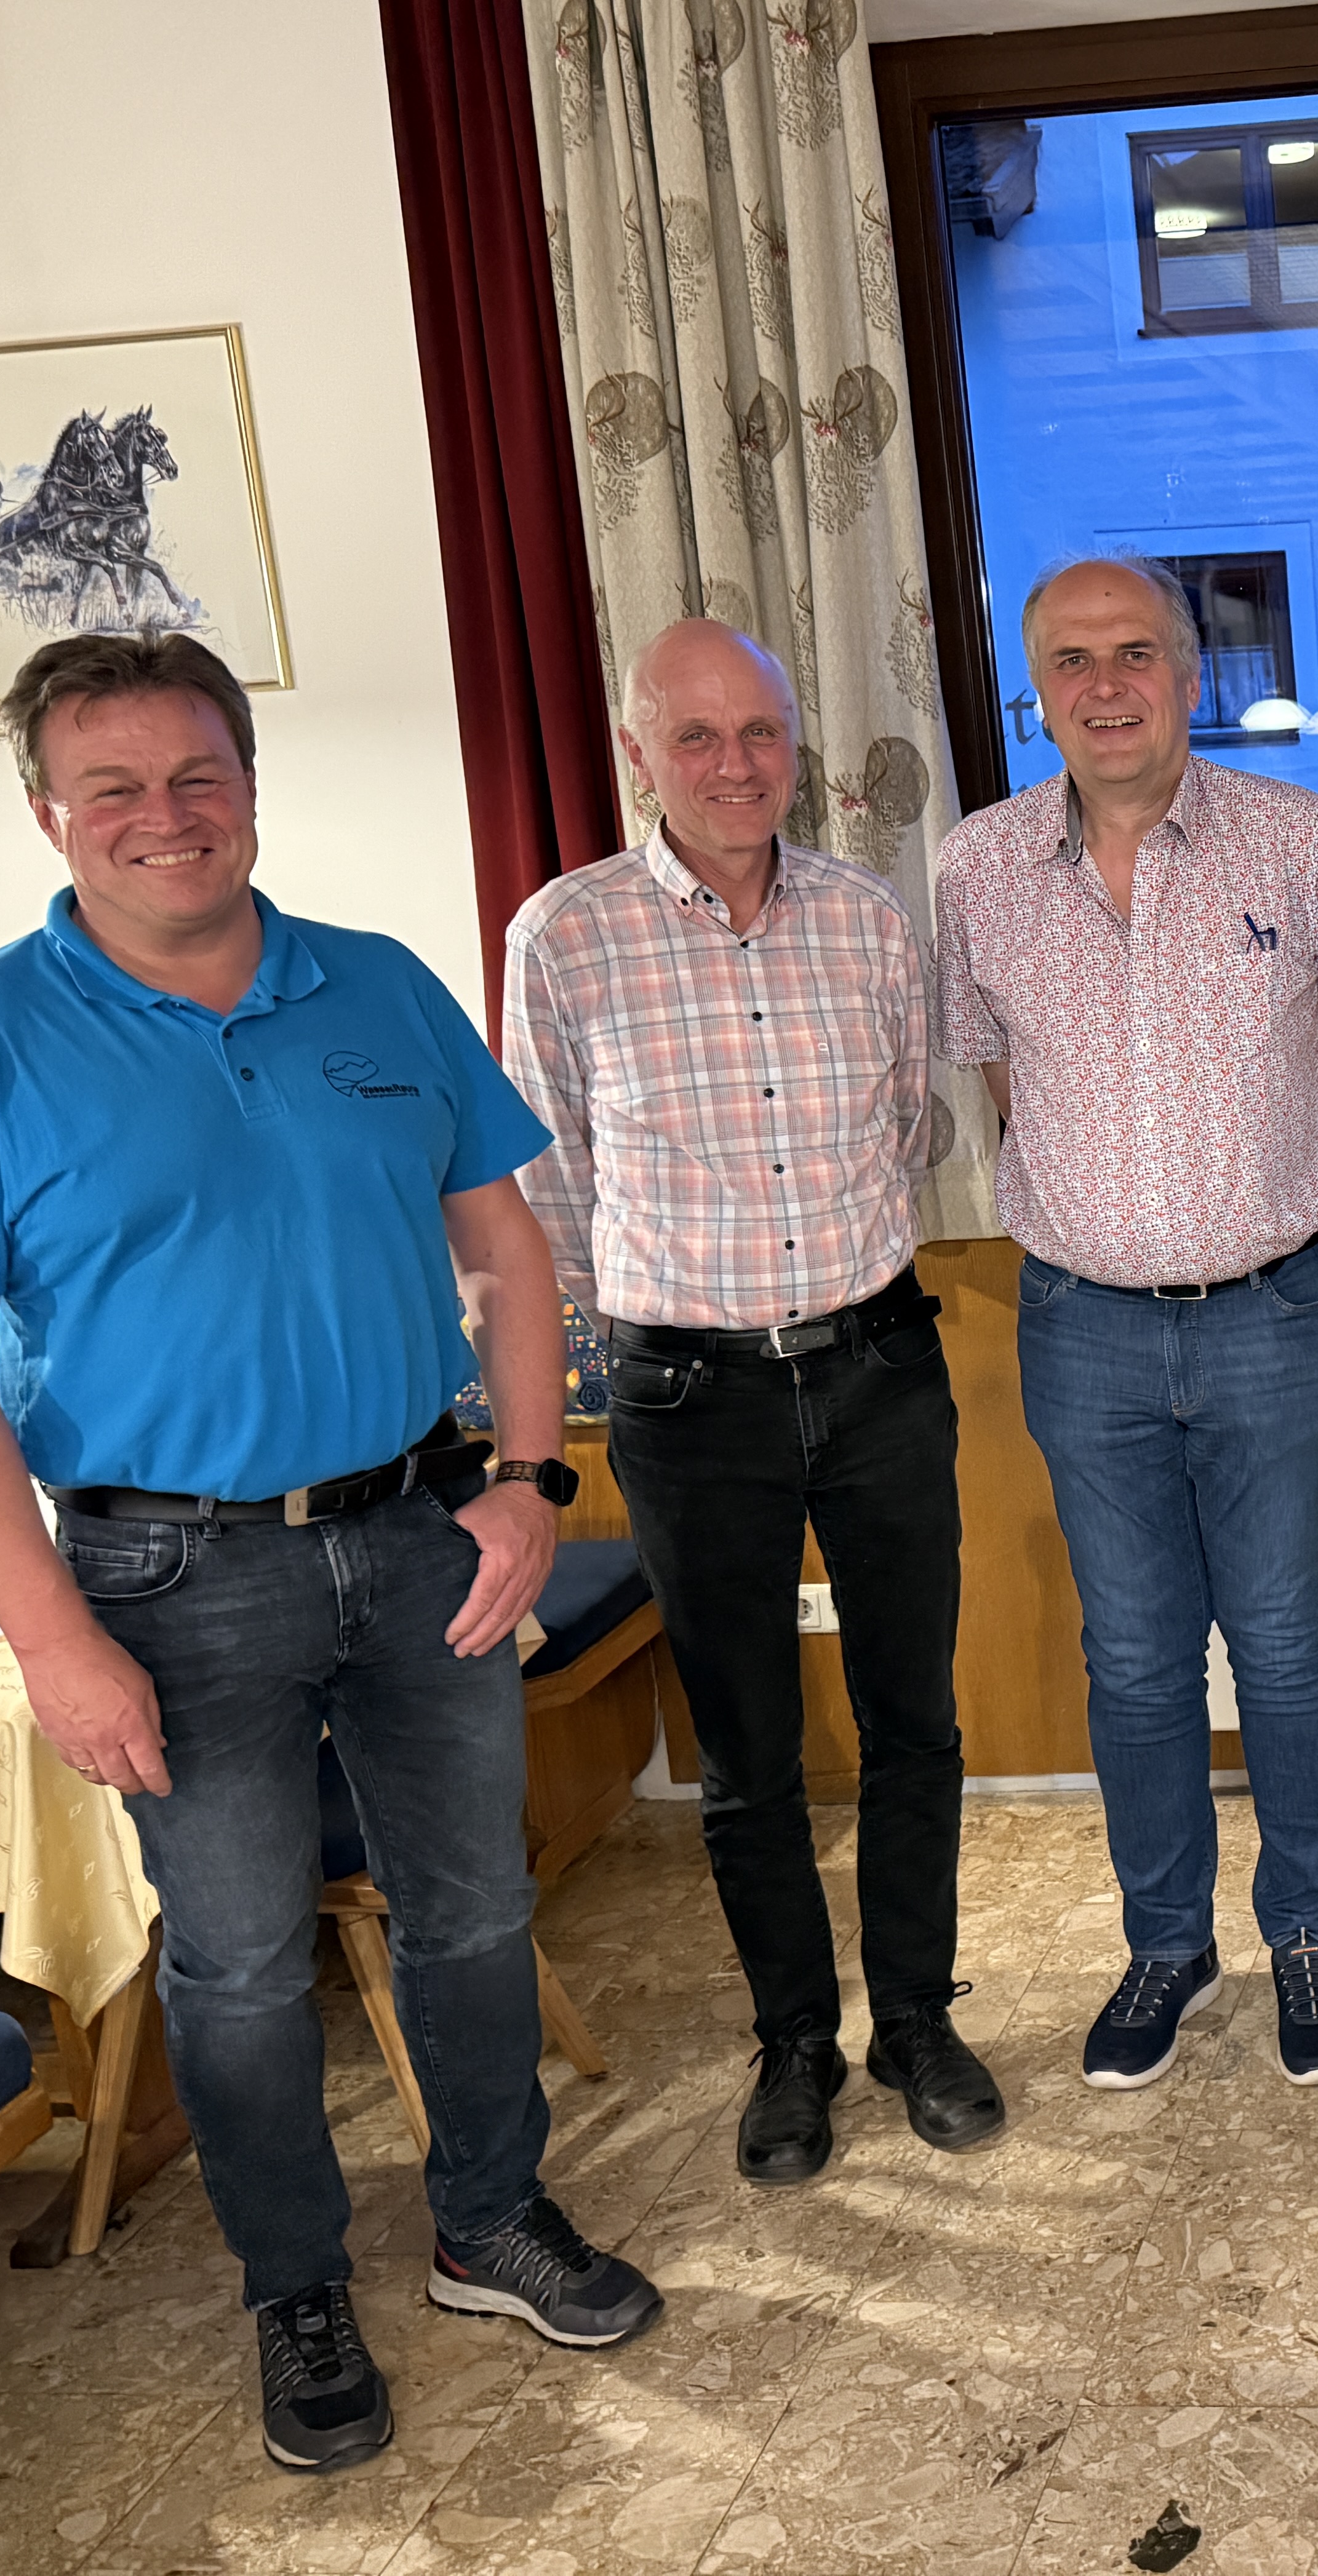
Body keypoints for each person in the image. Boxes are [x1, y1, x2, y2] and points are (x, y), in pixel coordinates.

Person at [0, 632, 662, 2477]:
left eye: (198, 773)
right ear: (49, 813)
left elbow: (507, 1248)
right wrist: (51, 1637)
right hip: (167, 1580)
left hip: (424, 1535)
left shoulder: (376, 986)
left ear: (251, 787)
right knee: (232, 1962)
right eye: (114, 786)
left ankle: (488, 2221)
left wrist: (534, 1477)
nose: (166, 815)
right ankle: (295, 2283)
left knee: (476, 1908)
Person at [501, 619, 1000, 2188]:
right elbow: (550, 1184)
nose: (736, 766)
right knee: (748, 1751)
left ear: (797, 748)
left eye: (762, 734)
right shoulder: (564, 937)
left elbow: (910, 1124)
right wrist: (669, 1323)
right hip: (687, 1395)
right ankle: (795, 2042)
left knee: (916, 1719)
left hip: (877, 1369)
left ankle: (914, 2017)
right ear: (638, 754)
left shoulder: (868, 918)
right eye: (697, 737)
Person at [933, 554, 1318, 2091]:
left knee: (1285, 1642)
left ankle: (1309, 1936)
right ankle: (1167, 1946)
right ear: (1036, 692)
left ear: (1190, 676)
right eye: (1072, 660)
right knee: (1130, 1657)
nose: (1105, 685)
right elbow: (1005, 1082)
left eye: (1136, 653)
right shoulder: (978, 869)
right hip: (1083, 1327)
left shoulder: (1305, 845)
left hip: (1273, 1312)